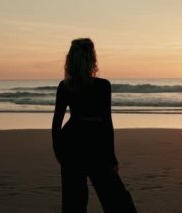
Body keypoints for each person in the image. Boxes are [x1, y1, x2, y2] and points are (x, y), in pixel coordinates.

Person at [52, 38, 138, 213]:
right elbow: (107, 123)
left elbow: (56, 123)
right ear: (92, 58)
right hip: (96, 143)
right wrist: (111, 157)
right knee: (115, 199)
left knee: (73, 202)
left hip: (71, 142)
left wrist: (58, 151)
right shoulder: (103, 86)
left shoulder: (65, 86)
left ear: (71, 59)